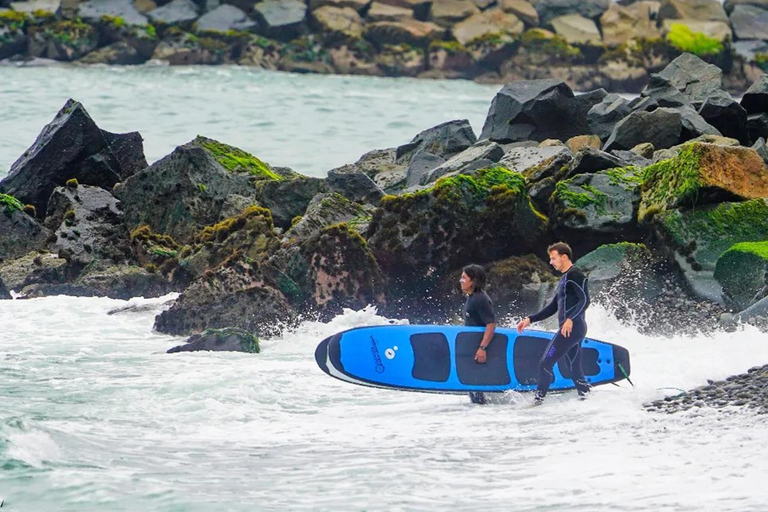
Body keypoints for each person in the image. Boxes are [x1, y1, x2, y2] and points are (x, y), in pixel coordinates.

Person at [516, 242, 591, 405]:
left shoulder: (575, 275)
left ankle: (537, 402)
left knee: (545, 364)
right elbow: (553, 307)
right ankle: (586, 400)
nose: (551, 262)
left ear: (564, 257)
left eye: (553, 258)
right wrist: (530, 319)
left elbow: (585, 299)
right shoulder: (564, 278)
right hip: (572, 330)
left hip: (573, 329)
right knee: (575, 369)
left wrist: (570, 319)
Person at [459, 264, 496, 405]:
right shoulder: (472, 297)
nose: (460, 281)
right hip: (472, 349)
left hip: (478, 349)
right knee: (472, 387)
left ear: (473, 281)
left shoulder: (480, 299)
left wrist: (483, 348)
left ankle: (483, 415)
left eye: (464, 278)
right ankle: (478, 416)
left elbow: (491, 324)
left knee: (475, 387)